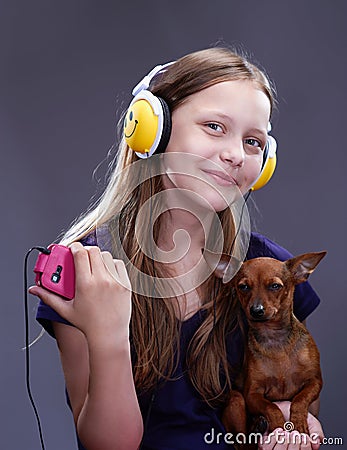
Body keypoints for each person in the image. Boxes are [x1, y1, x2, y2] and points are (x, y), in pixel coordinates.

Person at [29, 47, 324, 450]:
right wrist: (110, 333)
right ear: (153, 129)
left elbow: (289, 400)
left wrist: (294, 425)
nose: (236, 154)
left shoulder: (266, 269)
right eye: (215, 127)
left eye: (253, 142)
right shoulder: (87, 267)